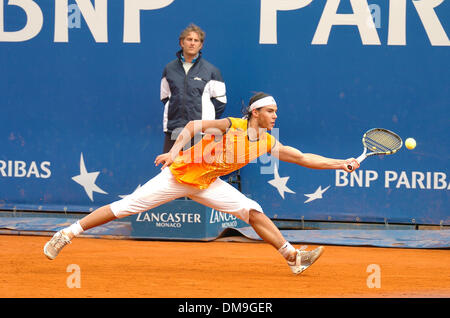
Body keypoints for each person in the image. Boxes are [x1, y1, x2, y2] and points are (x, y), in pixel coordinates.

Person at [44, 92, 360, 275]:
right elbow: (194, 124)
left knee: (253, 212)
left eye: (276, 111)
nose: (275, 116)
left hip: (208, 183)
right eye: (270, 111)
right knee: (125, 207)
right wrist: (172, 152)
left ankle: (293, 257)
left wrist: (341, 162)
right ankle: (66, 234)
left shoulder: (265, 141)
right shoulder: (231, 125)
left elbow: (303, 157)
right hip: (178, 176)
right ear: (254, 112)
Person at [160, 23, 227, 153]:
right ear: (181, 42)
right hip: (174, 130)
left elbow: (220, 103)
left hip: (200, 132)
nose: (192, 43)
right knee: (170, 170)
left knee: (198, 172)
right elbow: (165, 98)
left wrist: (205, 119)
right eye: (189, 39)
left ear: (201, 45)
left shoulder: (211, 71)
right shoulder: (169, 69)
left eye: (196, 40)